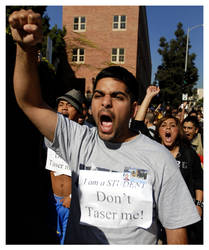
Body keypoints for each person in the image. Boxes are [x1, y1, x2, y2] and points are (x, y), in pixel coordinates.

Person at [9, 9, 200, 244]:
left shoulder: (160, 160)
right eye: (99, 95)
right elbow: (29, 102)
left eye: (117, 96)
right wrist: (25, 49)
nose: (106, 102)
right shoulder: (79, 140)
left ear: (133, 109)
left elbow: (176, 234)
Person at [155, 115, 203, 244]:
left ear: (178, 130)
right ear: (159, 132)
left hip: (184, 212)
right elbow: (137, 125)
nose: (168, 128)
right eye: (163, 125)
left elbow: (199, 181)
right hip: (157, 213)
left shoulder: (189, 154)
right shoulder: (152, 153)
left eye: (172, 125)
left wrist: (198, 205)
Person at [45, 89, 84, 244]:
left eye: (69, 105)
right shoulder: (48, 134)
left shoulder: (83, 137)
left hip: (70, 202)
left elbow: (88, 172)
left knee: (67, 242)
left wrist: (72, 198)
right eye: (61, 104)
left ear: (79, 111)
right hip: (53, 200)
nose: (64, 108)